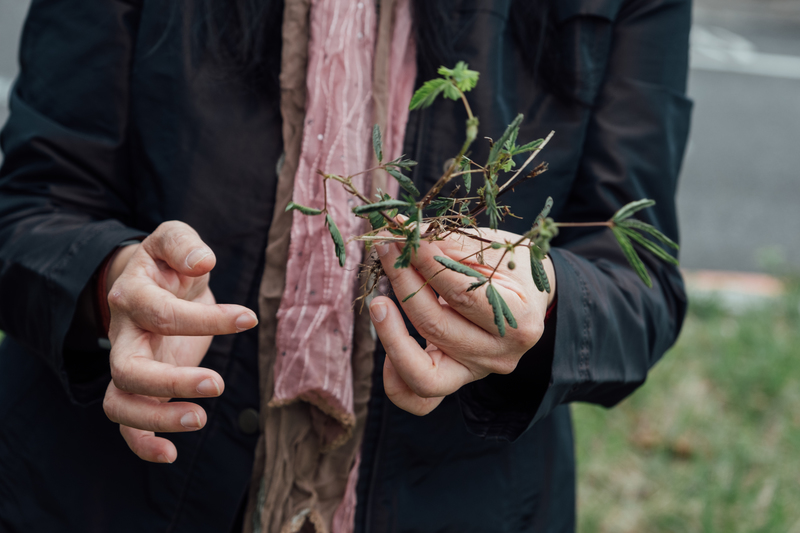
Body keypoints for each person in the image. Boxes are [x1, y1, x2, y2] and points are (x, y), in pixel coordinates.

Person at [0, 0, 691, 531]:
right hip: (107, 491)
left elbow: (641, 280)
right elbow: (31, 203)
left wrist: (544, 303)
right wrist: (110, 282)